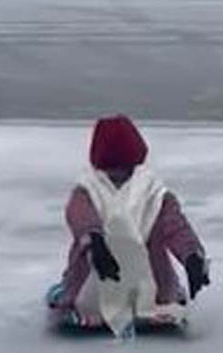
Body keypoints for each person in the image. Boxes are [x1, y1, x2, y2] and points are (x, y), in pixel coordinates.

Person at [48, 115, 210, 329]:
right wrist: (192, 255)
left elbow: (80, 217)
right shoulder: (155, 193)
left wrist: (93, 241)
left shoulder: (87, 190)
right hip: (153, 293)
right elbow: (176, 227)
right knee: (167, 289)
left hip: (91, 294)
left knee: (70, 290)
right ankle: (156, 306)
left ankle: (80, 305)